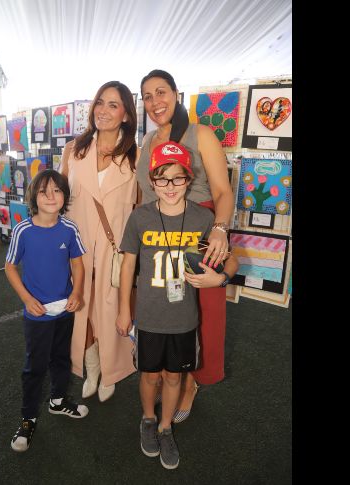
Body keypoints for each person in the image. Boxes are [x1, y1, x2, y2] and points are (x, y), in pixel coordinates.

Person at [116, 141, 238, 470]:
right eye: (162, 178)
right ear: (152, 181)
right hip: (149, 317)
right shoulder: (140, 217)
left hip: (184, 319)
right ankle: (147, 418)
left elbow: (233, 261)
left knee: (173, 378)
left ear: (189, 178)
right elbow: (128, 266)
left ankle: (165, 426)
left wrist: (220, 280)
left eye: (177, 178)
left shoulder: (203, 219)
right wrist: (123, 308)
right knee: (149, 376)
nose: (170, 186)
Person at [138, 69, 235, 423]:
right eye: (147, 96)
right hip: (159, 233)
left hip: (199, 229)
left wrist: (220, 230)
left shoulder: (201, 134)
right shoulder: (147, 143)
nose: (154, 102)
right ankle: (169, 373)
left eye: (161, 92)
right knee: (166, 306)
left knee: (205, 308)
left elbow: (223, 192)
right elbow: (143, 196)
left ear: (177, 94)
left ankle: (193, 380)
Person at [60, 81, 139, 402]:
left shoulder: (137, 156)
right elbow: (60, 200)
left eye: (113, 105)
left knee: (111, 310)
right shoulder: (74, 150)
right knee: (82, 308)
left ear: (126, 115)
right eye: (100, 103)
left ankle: (112, 369)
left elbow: (141, 208)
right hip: (76, 247)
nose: (103, 111)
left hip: (116, 250)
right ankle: (91, 367)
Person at [4, 169, 89, 453]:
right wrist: (27, 299)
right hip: (37, 316)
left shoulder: (69, 228)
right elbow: (9, 267)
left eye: (56, 190)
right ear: (34, 197)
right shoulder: (22, 230)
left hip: (64, 310)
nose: (51, 196)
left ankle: (58, 402)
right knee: (35, 367)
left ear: (64, 195)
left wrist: (76, 293)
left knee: (61, 358)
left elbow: (77, 263)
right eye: (44, 191)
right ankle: (28, 418)